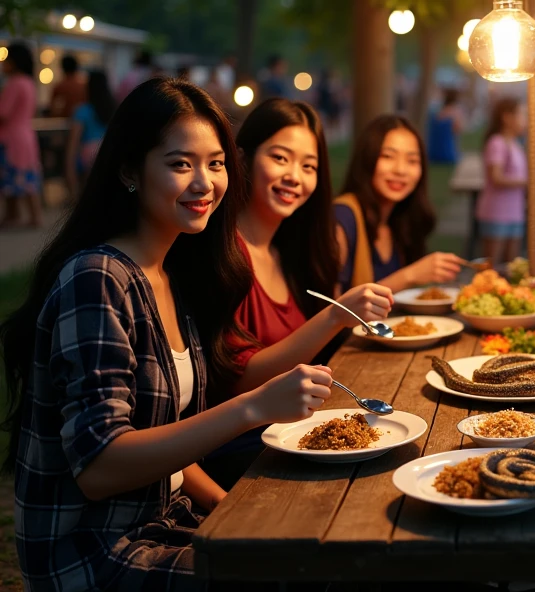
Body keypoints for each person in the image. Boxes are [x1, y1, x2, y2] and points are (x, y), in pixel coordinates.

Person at [0, 77, 333, 591]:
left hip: (166, 523)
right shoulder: (98, 278)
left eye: (216, 163)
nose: (205, 183)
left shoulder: (175, 272)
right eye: (181, 164)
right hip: (95, 552)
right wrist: (253, 407)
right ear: (130, 170)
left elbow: (174, 448)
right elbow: (100, 466)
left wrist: (234, 511)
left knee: (315, 539)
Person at [200, 99, 393, 489]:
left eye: (309, 166)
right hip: (240, 455)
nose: (295, 176)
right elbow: (239, 382)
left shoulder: (287, 253)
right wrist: (336, 315)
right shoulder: (223, 254)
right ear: (242, 157)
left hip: (295, 438)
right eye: (281, 158)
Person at [334, 114, 464, 292]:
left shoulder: (400, 220)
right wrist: (410, 276)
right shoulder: (342, 218)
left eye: (412, 160)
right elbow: (329, 311)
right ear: (367, 159)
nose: (400, 170)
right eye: (388, 156)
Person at [476, 97, 528, 264]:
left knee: (512, 265)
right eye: (522, 115)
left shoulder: (515, 143)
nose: (525, 120)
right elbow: (496, 177)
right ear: (507, 117)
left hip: (515, 211)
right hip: (496, 211)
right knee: (492, 264)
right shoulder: (497, 143)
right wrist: (529, 182)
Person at [0, 42, 43, 229]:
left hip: (11, 138)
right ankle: (30, 215)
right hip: (26, 135)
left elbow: (3, 113)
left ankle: (14, 216)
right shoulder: (29, 82)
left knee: (11, 175)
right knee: (27, 176)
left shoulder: (14, 83)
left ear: (14, 61)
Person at [65, 71, 115, 199]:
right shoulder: (114, 109)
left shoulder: (82, 111)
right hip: (109, 152)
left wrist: (70, 174)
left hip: (87, 156)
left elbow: (73, 143)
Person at [427, 87, 464, 165]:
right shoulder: (455, 111)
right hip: (447, 151)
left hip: (434, 150)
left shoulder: (440, 111)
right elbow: (458, 129)